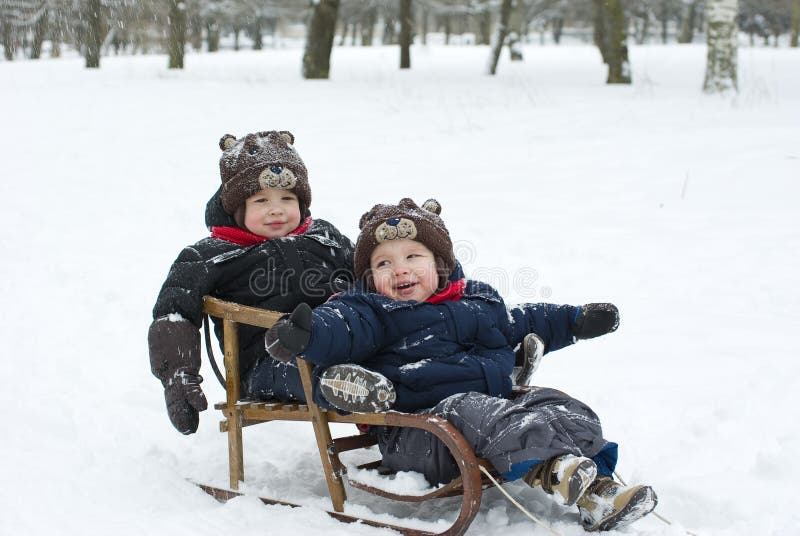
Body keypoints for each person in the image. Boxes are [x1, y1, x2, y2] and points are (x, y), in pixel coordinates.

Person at [265, 197, 654, 532]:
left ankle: (598, 492)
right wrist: (308, 333)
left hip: (488, 416)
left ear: (442, 263)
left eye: (413, 257)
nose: (400, 269)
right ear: (369, 277)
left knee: (556, 403)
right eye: (383, 264)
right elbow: (341, 328)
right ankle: (552, 469)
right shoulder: (371, 312)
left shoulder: (476, 303)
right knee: (471, 407)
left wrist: (574, 321)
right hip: (421, 434)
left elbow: (522, 321)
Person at [147, 130, 354, 435]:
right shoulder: (210, 255)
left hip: (341, 342)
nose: (277, 209)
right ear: (236, 207)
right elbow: (174, 312)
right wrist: (178, 375)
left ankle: (414, 433)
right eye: (260, 200)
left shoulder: (324, 236)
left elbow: (368, 277)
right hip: (269, 362)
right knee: (314, 370)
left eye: (288, 198)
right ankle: (350, 386)